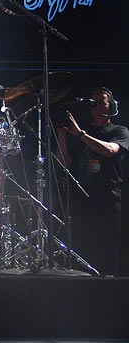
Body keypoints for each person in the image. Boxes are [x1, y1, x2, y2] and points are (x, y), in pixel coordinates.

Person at [56, 87, 129, 276]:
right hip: (82, 197)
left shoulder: (119, 131)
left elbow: (110, 150)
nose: (96, 106)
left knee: (106, 246)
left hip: (107, 197)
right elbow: (64, 162)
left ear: (111, 107)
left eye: (101, 102)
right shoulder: (81, 132)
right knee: (82, 245)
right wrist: (62, 135)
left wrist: (81, 135)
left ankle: (109, 285)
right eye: (93, 103)